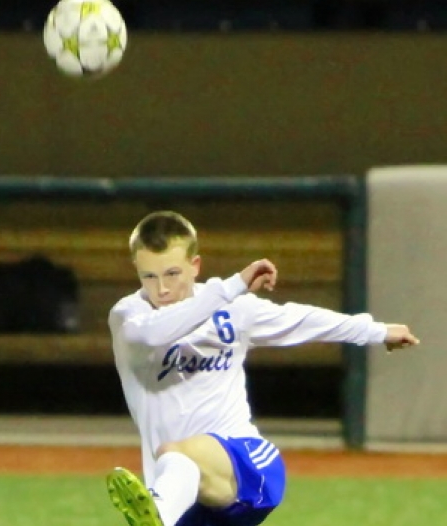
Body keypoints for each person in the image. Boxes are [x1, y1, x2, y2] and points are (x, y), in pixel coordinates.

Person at [105, 211, 420, 526]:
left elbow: (300, 320)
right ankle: (163, 513)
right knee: (176, 461)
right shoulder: (128, 316)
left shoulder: (232, 309)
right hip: (186, 494)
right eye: (149, 276)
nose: (162, 288)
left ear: (195, 265)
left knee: (177, 452)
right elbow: (155, 333)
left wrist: (376, 331)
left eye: (172, 273)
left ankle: (158, 515)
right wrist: (233, 285)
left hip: (246, 465)